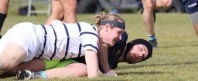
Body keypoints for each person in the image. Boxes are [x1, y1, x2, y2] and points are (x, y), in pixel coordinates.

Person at [0, 13, 126, 78]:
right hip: (31, 36)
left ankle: (35, 76)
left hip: (30, 36)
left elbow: (55, 22)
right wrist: (106, 75)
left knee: (1, 68)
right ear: (108, 27)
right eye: (119, 33)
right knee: (7, 62)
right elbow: (93, 75)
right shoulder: (91, 33)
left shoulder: (87, 32)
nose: (120, 38)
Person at [11, 33, 153, 80]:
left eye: (143, 56)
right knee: (17, 65)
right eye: (140, 49)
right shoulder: (120, 38)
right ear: (133, 43)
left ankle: (34, 76)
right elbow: (102, 43)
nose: (140, 54)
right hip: (61, 52)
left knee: (82, 70)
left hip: (69, 62)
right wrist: (106, 69)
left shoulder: (114, 64)